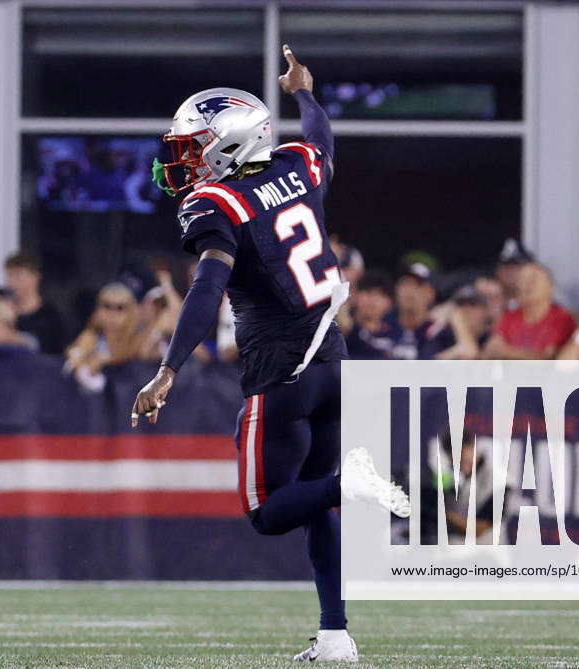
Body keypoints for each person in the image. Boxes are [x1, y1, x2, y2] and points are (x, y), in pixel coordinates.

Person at [130, 46, 408, 662]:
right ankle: (336, 635)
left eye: (193, 146)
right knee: (314, 499)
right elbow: (321, 139)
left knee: (267, 510)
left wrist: (168, 368)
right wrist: (305, 92)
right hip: (332, 359)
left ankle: (353, 486)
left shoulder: (215, 204)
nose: (181, 159)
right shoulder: (299, 166)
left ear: (227, 145)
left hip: (279, 369)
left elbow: (206, 288)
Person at [483, 263, 577, 360]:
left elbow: (549, 359)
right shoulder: (510, 317)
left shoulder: (562, 318)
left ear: (550, 287)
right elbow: (492, 350)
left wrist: (508, 352)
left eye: (533, 279)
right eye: (521, 280)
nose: (526, 285)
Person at [65, 282, 145, 389]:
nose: (112, 313)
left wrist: (101, 360)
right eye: (107, 306)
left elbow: (125, 355)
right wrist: (78, 358)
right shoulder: (91, 335)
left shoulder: (138, 338)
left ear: (131, 311)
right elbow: (75, 355)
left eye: (120, 307)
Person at [4, 252, 66, 354]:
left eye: (17, 276)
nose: (10, 282)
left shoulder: (50, 316)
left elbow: (53, 351)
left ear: (35, 277)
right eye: (9, 276)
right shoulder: (4, 311)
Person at [344, 271, 397, 359]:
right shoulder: (342, 331)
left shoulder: (397, 335)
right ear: (356, 295)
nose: (373, 299)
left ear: (390, 303)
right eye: (368, 292)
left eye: (380, 295)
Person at [495, 238, 533, 310]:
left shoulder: (538, 306)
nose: (510, 269)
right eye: (505, 264)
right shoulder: (487, 307)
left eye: (516, 264)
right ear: (497, 270)